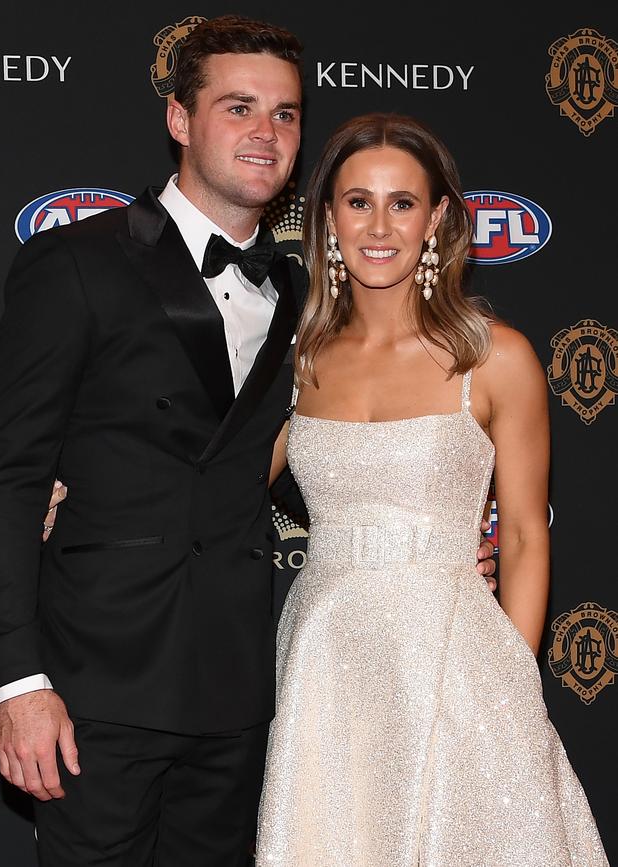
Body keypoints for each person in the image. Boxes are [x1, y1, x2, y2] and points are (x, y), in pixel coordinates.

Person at [0, 17, 497, 866]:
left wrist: (416, 533)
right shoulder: (76, 263)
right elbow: (7, 479)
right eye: (239, 107)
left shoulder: (307, 299)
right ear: (180, 119)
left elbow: (290, 460)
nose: (266, 133)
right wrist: (19, 684)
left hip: (241, 695)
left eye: (286, 114)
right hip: (97, 690)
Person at [256, 113, 608, 865]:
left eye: (402, 203)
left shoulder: (496, 357)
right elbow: (217, 482)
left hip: (457, 661)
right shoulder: (297, 360)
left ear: (438, 217)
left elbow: (521, 534)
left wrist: (511, 677)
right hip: (328, 659)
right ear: (326, 217)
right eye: (357, 202)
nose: (379, 226)